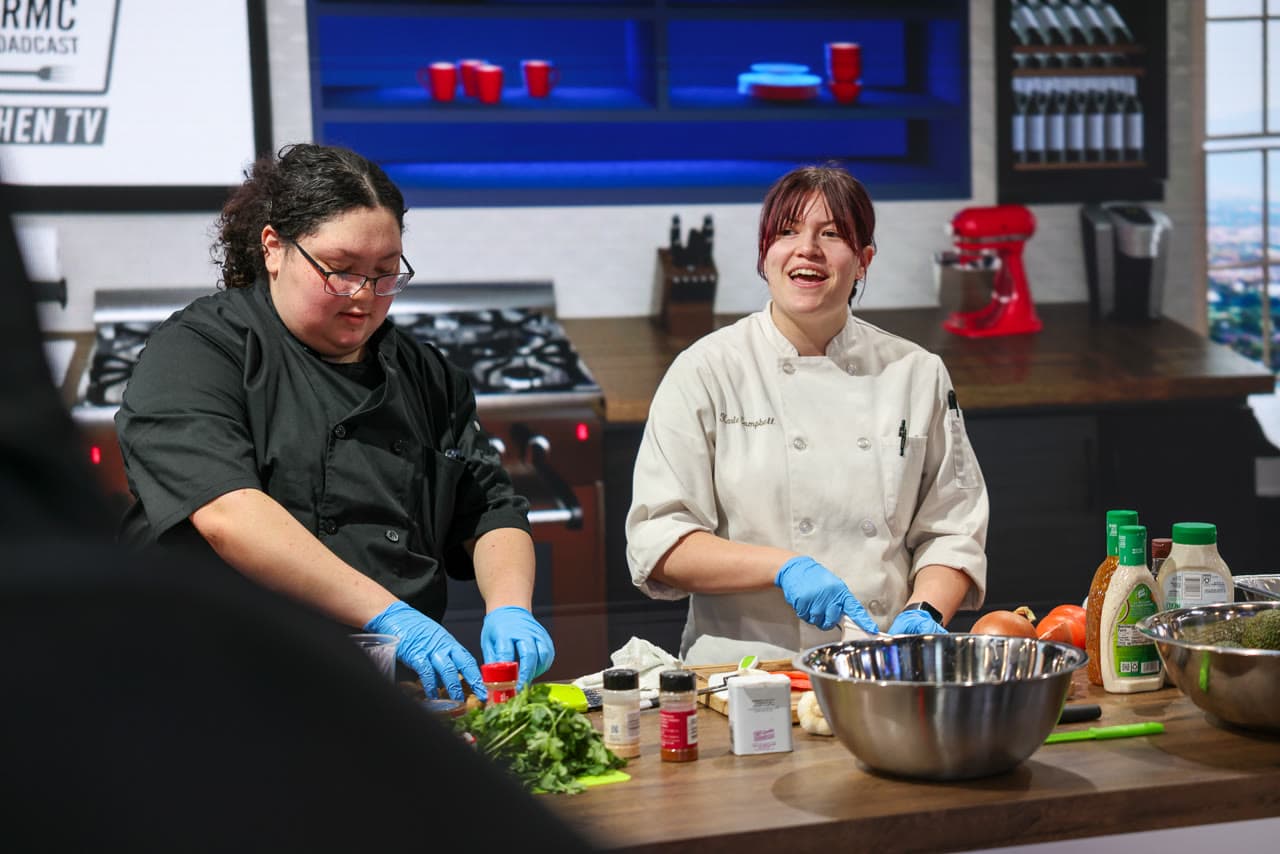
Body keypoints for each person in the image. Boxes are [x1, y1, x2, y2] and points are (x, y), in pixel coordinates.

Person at [115, 143, 553, 700]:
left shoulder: (426, 374)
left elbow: (491, 508)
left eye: (385, 274)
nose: (363, 298)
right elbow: (229, 513)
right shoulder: (198, 353)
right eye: (341, 272)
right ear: (274, 248)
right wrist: (391, 614)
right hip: (217, 681)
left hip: (382, 691)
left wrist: (511, 608)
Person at [625, 164, 989, 656]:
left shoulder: (916, 373)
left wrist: (922, 614)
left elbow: (953, 528)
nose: (807, 249)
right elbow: (660, 542)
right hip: (743, 671)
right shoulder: (706, 371)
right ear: (764, 255)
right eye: (787, 232)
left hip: (878, 660)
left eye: (832, 234)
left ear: (863, 261)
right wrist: (782, 568)